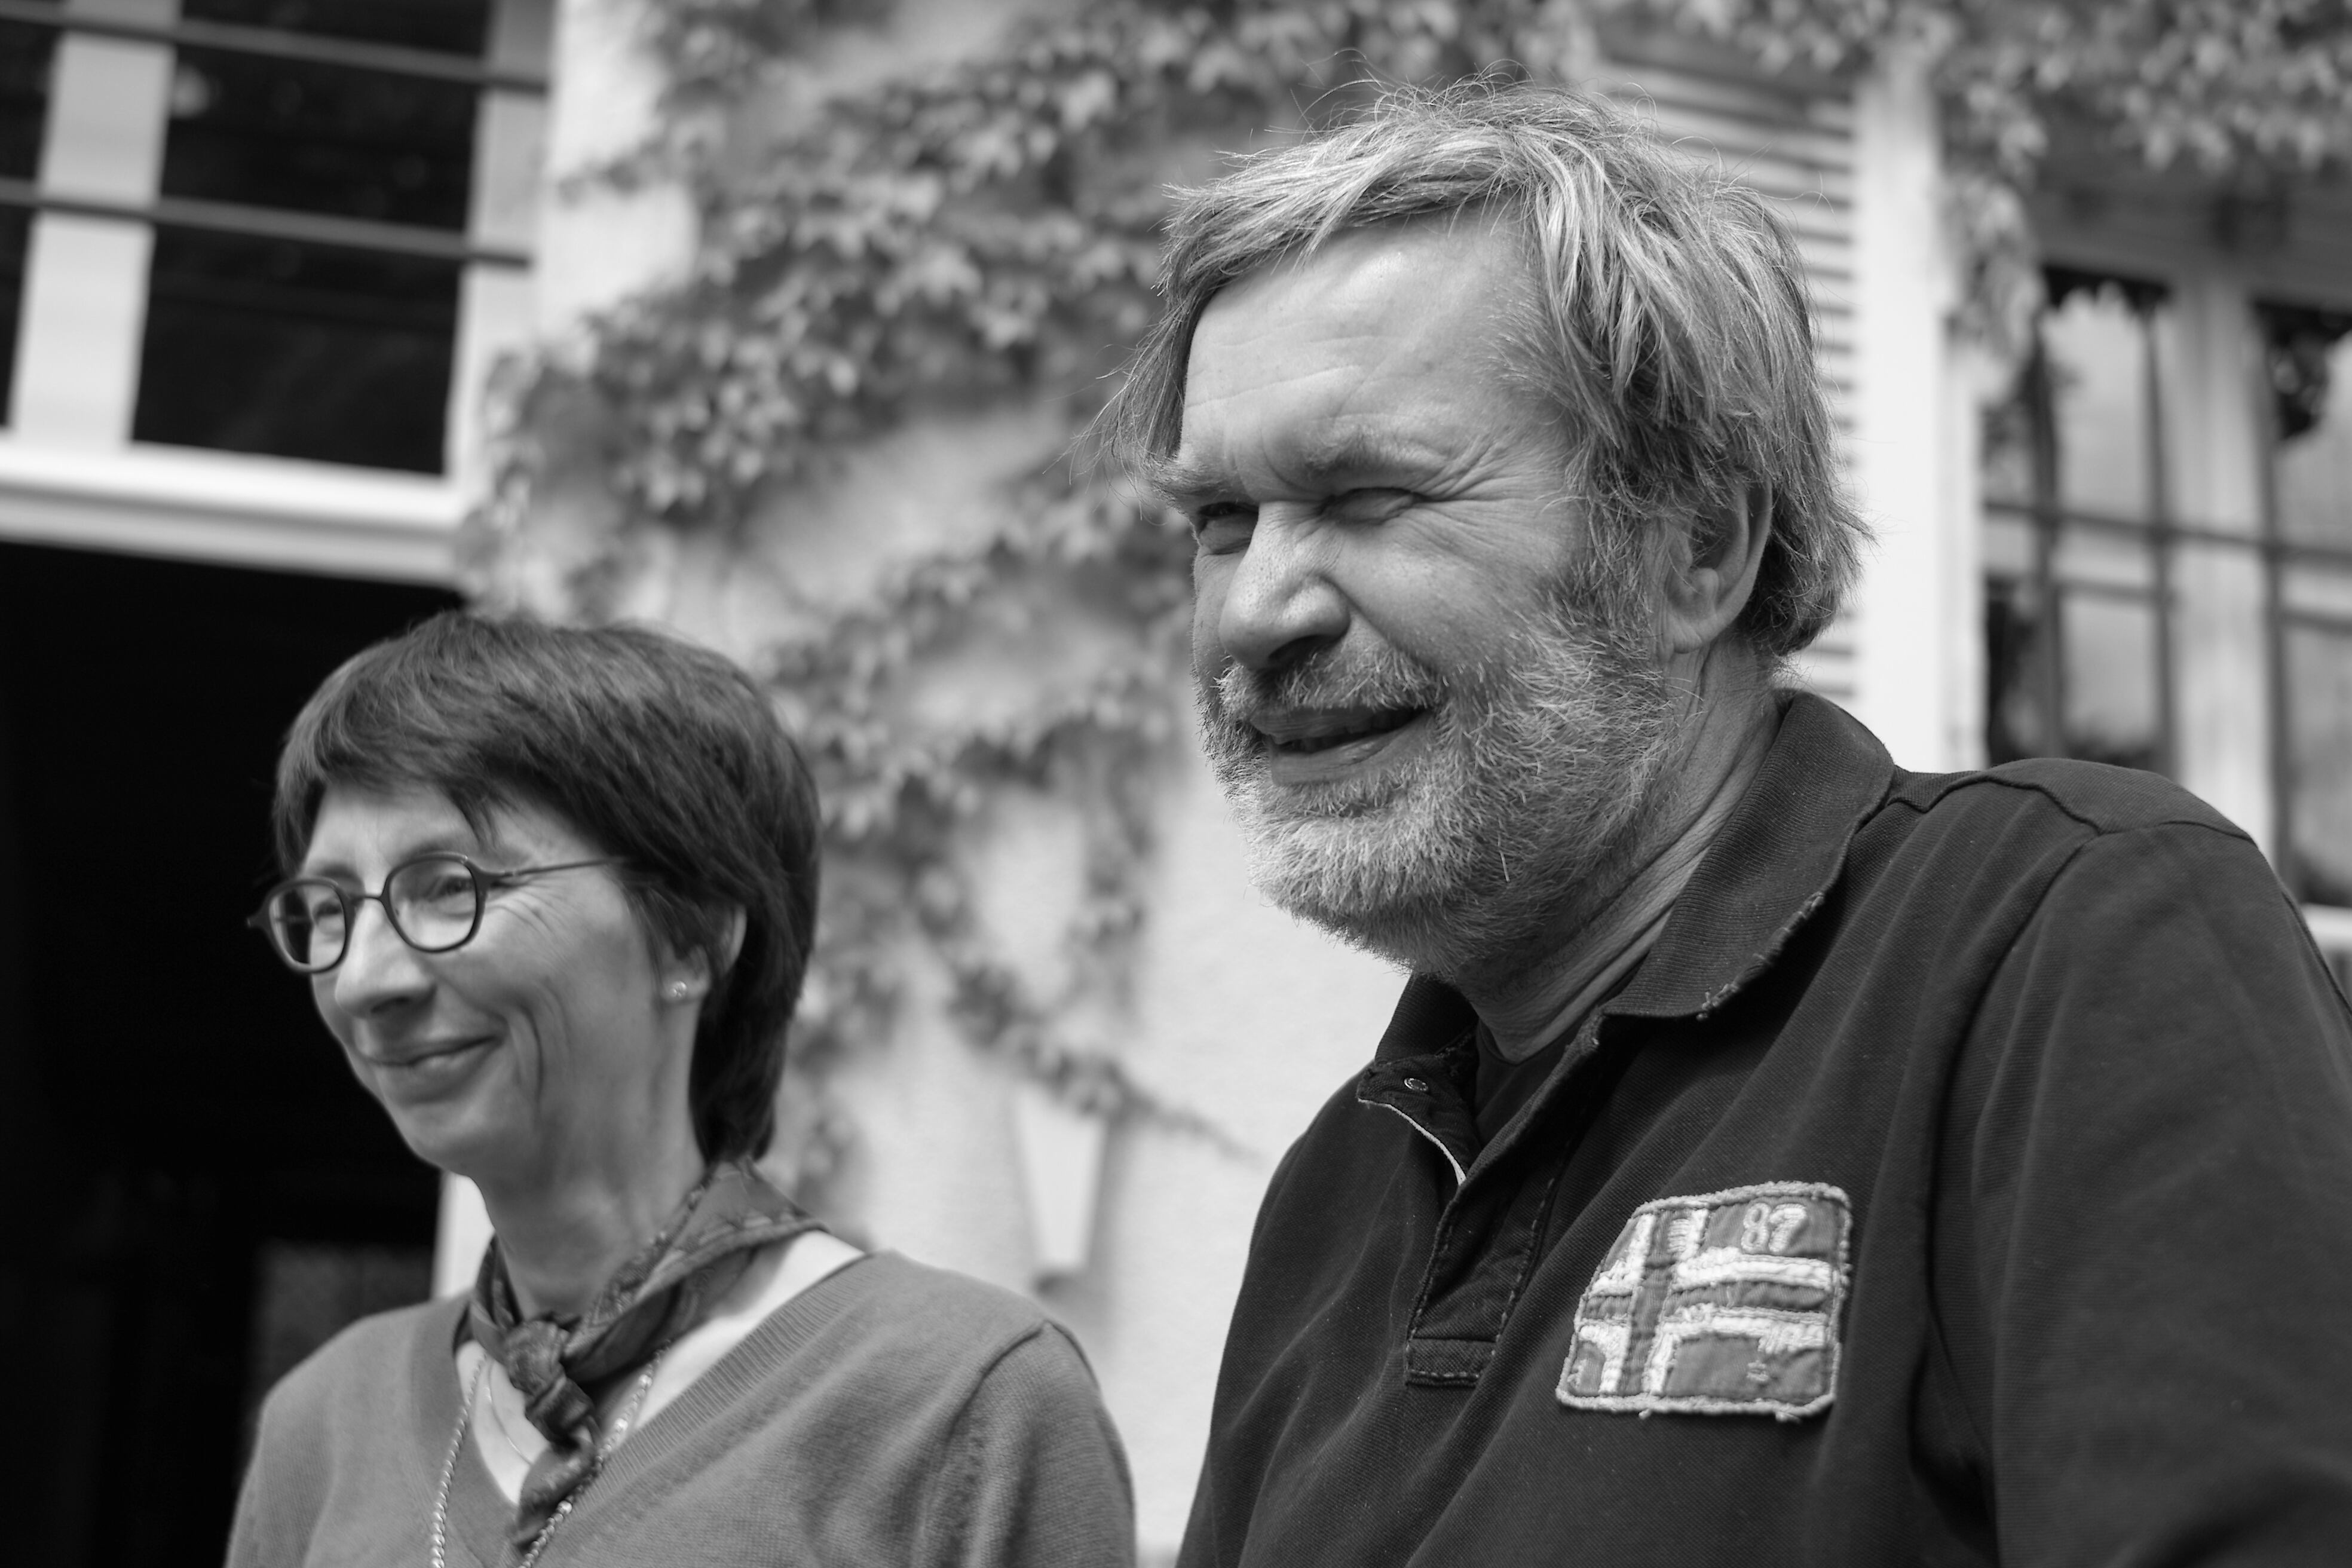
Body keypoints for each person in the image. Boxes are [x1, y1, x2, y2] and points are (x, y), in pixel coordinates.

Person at [1107, 83, 2352, 1566]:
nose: (1255, 610)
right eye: (1220, 521)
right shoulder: (1335, 1194)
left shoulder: (2065, 945)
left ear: (1695, 548)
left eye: (1368, 494)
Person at [226, 613, 1134, 1567]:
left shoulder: (962, 1404)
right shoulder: (320, 1427)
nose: (364, 981)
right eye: (330, 908)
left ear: (691, 936)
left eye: (451, 886)